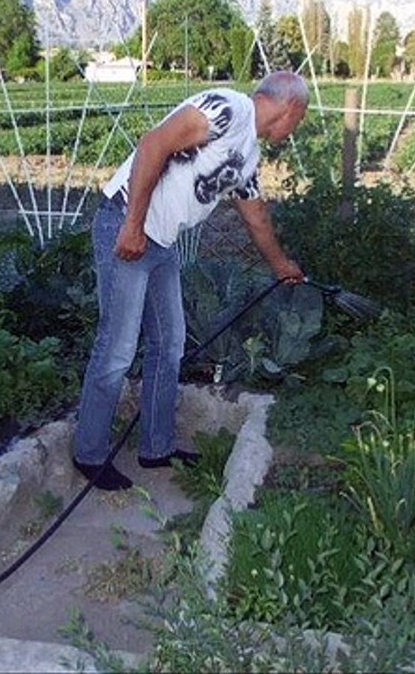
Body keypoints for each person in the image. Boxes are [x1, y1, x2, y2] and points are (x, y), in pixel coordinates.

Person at [72, 70, 309, 490]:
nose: (295, 131)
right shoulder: (226, 108)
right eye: (300, 120)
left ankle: (156, 448)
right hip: (127, 226)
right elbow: (153, 144)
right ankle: (88, 454)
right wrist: (132, 225)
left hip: (160, 243)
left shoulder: (248, 154)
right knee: (118, 347)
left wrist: (281, 266)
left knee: (170, 344)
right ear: (290, 107)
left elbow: (255, 217)